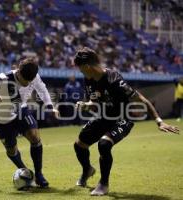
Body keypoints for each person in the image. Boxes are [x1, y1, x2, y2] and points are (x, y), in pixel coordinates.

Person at [73, 47, 179, 196]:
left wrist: (159, 121)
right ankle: (87, 170)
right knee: (79, 145)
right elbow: (94, 100)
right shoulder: (88, 79)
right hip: (104, 117)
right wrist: (86, 105)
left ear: (86, 67)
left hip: (123, 119)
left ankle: (103, 184)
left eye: (80, 68)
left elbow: (142, 99)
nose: (80, 71)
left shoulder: (113, 79)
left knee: (104, 144)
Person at [0, 58, 58, 188]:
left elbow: (42, 89)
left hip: (20, 111)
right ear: (18, 72)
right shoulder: (3, 78)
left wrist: (50, 106)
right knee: (11, 150)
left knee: (35, 137)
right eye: (25, 80)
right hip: (1, 119)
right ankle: (26, 172)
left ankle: (39, 174)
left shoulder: (33, 76)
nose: (28, 83)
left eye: (30, 81)